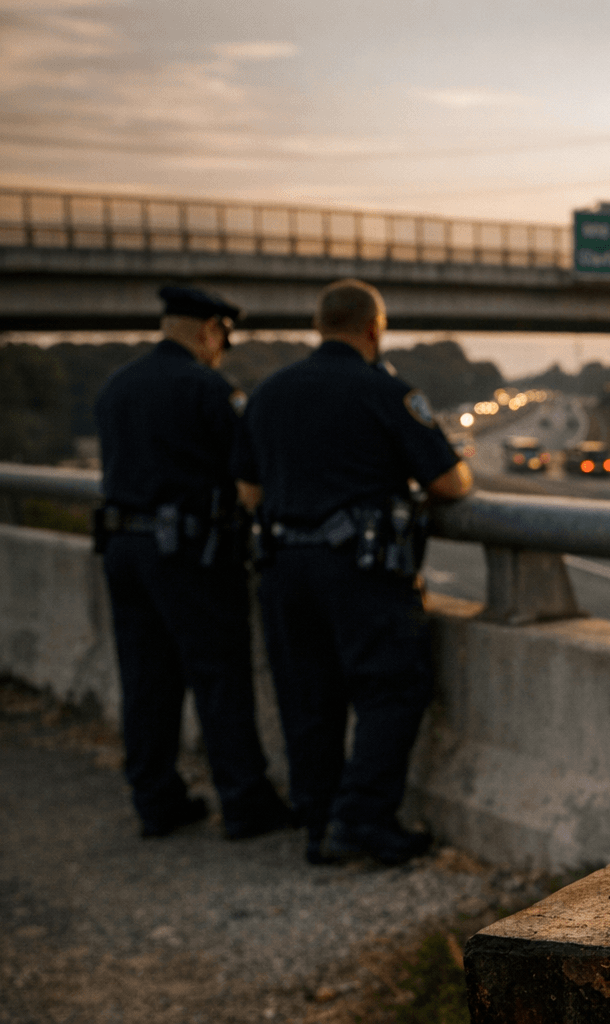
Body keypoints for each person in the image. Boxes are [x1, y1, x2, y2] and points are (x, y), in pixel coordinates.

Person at [232, 278, 472, 866]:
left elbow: (248, 493)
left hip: (282, 568)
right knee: (393, 686)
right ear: (374, 328)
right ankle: (363, 819)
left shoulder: (269, 393)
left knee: (306, 696)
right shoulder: (385, 390)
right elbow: (448, 482)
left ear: (319, 326)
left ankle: (318, 821)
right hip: (360, 571)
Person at [93, 284, 292, 840]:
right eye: (223, 337)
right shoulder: (208, 389)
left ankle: (155, 799)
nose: (222, 350)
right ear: (209, 330)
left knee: (145, 679)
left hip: (123, 549)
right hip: (189, 553)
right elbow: (248, 477)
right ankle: (245, 802)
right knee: (218, 676)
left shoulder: (116, 386)